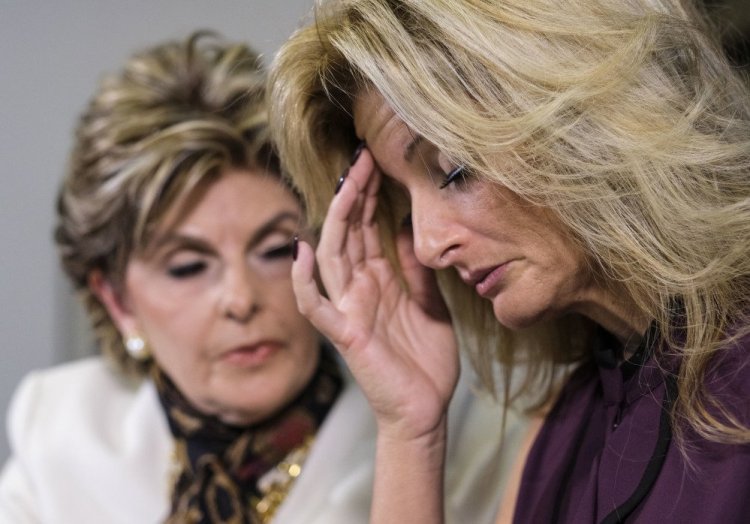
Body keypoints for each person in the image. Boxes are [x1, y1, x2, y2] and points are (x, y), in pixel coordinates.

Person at [0, 32, 524, 523]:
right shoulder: (61, 430)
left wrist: (411, 439)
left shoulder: (463, 446)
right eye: (188, 267)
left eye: (276, 251)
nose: (241, 300)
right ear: (117, 303)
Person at [267, 0, 750, 522]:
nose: (428, 247)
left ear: (584, 117)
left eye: (453, 170)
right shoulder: (559, 433)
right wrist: (411, 431)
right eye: (406, 211)